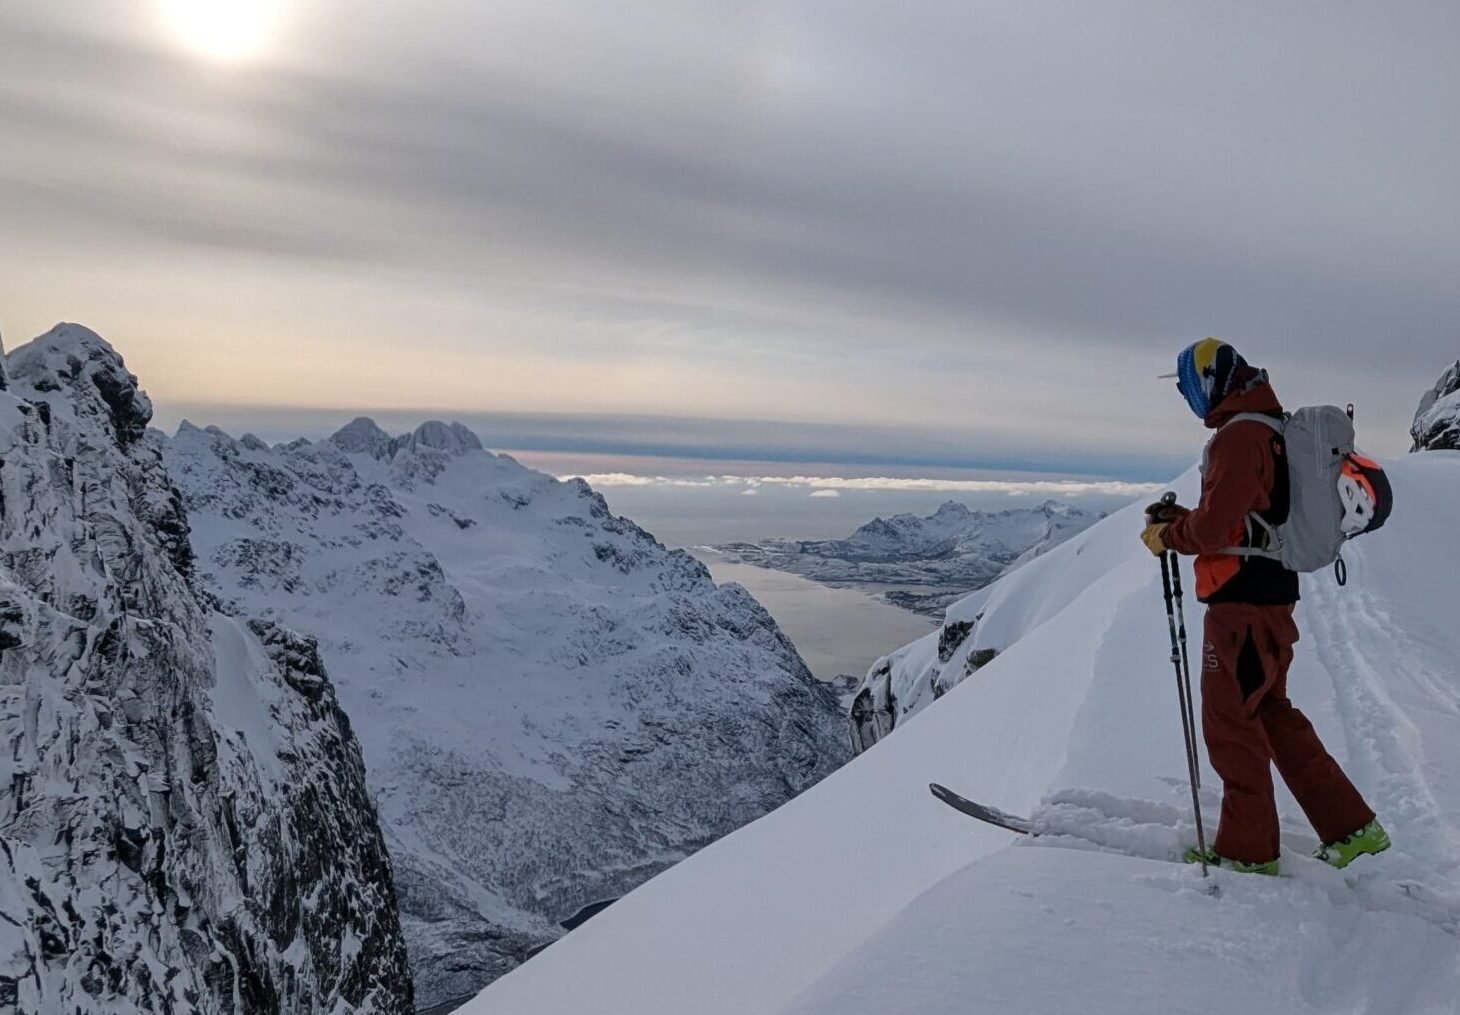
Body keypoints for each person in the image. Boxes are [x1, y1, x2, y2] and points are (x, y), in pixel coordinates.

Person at [1139, 338, 1390, 875]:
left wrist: (1169, 535)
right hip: (1271, 596)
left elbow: (1213, 529)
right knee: (1271, 713)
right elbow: (1248, 518)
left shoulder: (1240, 436)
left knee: (1230, 722)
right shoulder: (1269, 428)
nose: (1191, 400)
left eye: (1190, 387)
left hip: (1240, 604)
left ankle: (1247, 853)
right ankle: (1351, 828)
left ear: (1211, 382)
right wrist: (1181, 519)